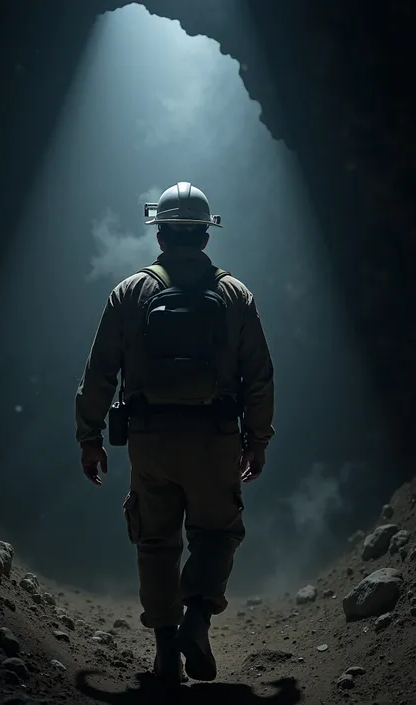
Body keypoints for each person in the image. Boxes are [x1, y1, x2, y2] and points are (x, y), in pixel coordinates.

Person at [75, 182, 274, 683]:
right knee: (217, 533)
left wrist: (90, 438)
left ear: (160, 235)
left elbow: (99, 372)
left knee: (156, 541)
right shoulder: (235, 295)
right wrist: (259, 440)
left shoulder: (130, 293)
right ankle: (198, 621)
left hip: (150, 439)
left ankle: (165, 649)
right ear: (205, 239)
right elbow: (260, 376)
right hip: (216, 440)